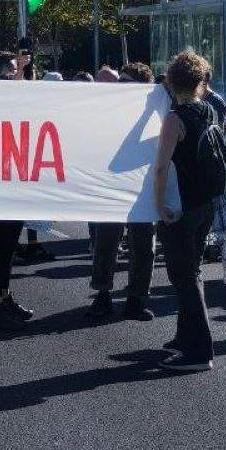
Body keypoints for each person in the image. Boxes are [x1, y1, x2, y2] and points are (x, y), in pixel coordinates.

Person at [151, 51, 226, 372]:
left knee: (184, 277)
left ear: (170, 82)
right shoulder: (209, 110)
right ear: (200, 81)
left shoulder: (175, 117)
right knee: (191, 271)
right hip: (206, 203)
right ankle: (184, 338)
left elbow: (161, 168)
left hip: (182, 206)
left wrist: (158, 206)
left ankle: (198, 352)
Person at [87, 62, 158, 321]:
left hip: (142, 188)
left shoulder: (156, 112)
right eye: (121, 82)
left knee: (143, 246)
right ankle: (103, 295)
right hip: (111, 186)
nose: (121, 88)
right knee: (106, 242)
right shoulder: (107, 111)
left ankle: (136, 299)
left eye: (128, 83)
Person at [0, 51, 34, 332]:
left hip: (15, 183)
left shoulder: (13, 94)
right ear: (0, 72)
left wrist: (24, 73)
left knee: (9, 246)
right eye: (12, 69)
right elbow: (9, 94)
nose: (16, 72)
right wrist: (18, 76)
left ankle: (5, 297)